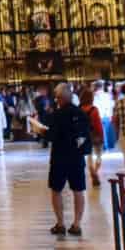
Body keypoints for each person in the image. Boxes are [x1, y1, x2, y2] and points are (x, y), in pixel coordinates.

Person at [33, 82, 92, 235]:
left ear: (59, 98)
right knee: (78, 190)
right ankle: (77, 224)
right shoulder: (80, 113)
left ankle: (60, 223)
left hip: (60, 158)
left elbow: (52, 136)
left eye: (57, 98)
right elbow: (86, 134)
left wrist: (40, 131)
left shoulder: (56, 115)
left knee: (56, 190)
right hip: (77, 158)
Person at [82, 86, 107, 187]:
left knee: (89, 156)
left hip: (84, 136)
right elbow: (98, 125)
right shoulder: (94, 110)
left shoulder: (79, 109)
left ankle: (92, 172)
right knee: (99, 155)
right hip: (95, 135)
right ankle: (95, 172)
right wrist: (102, 136)